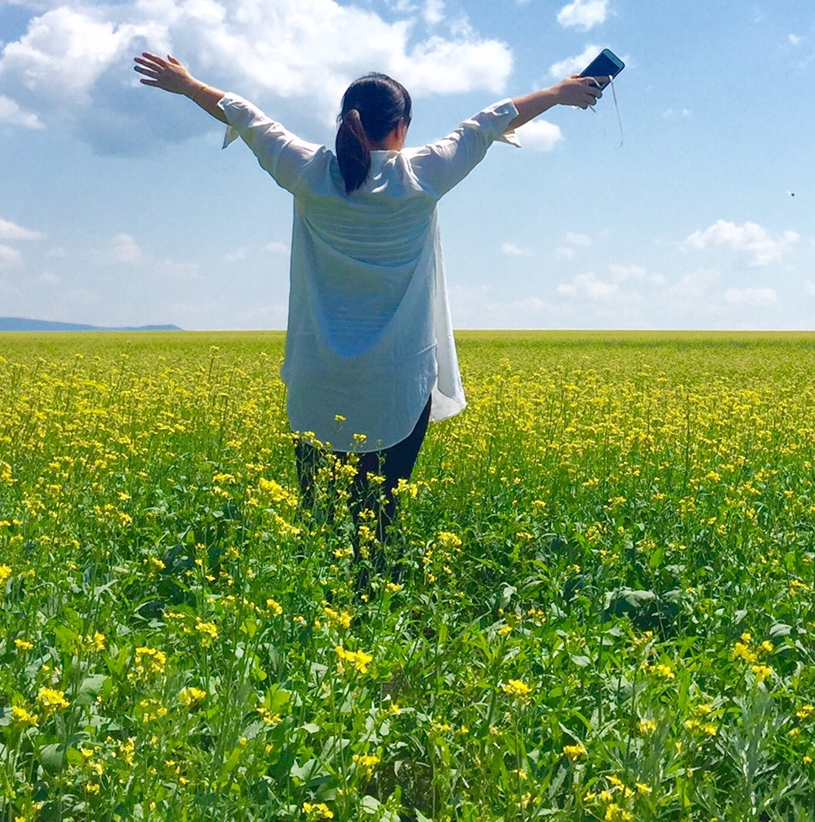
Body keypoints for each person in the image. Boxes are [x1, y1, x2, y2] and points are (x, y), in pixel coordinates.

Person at [133, 52, 607, 550]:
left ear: (344, 122)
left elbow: (247, 116)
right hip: (399, 383)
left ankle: (316, 610)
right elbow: (488, 122)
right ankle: (370, 602)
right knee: (381, 517)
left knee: (316, 519)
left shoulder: (309, 173)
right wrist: (559, 92)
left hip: (318, 380)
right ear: (401, 127)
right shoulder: (423, 174)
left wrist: (187, 85)